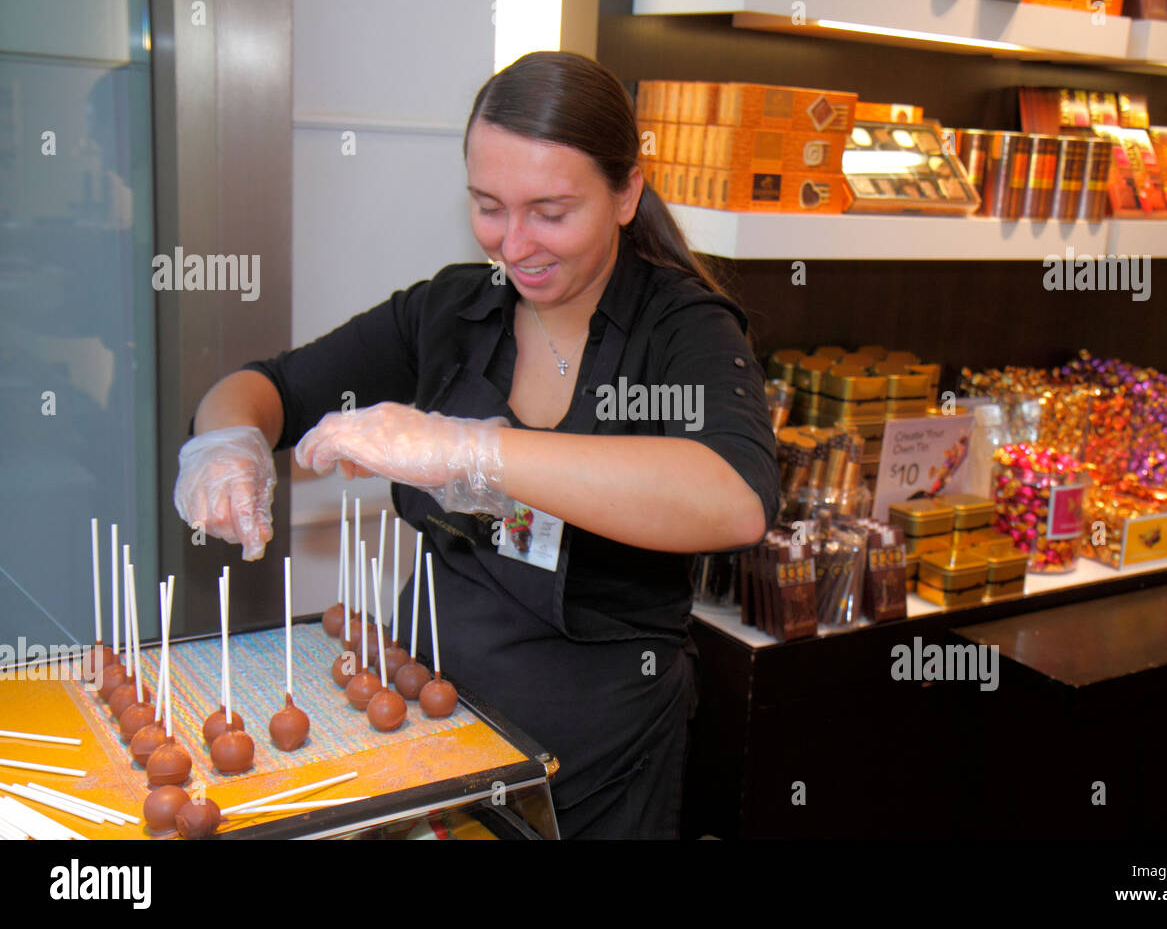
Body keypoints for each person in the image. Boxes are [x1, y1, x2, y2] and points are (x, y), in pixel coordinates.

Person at [172, 51, 780, 838]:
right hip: (431, 726)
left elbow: (733, 497)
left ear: (628, 191)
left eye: (551, 212)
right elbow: (270, 391)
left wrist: (469, 452)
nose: (514, 244)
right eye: (489, 206)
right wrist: (225, 445)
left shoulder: (682, 328)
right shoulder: (456, 311)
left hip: (595, 758)